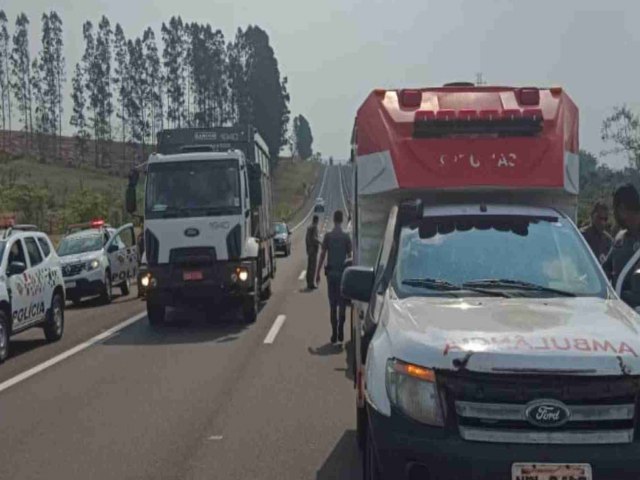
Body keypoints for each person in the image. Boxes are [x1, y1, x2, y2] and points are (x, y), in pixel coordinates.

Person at [316, 210, 352, 344]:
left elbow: (322, 255)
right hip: (343, 275)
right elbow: (350, 257)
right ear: (342, 220)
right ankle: (341, 328)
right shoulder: (346, 237)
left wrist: (317, 272)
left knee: (332, 305)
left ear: (334, 219)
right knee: (342, 304)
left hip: (331, 276)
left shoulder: (328, 237)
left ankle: (334, 333)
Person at [603, 184, 640, 287]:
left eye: (614, 210)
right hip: (617, 302)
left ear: (622, 209)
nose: (613, 214)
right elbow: (604, 273)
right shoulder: (620, 239)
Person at [305, 215, 321, 289]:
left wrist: (307, 248)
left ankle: (308, 282)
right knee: (313, 267)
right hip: (313, 249)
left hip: (309, 249)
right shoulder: (314, 227)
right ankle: (311, 283)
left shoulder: (309, 228)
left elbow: (306, 239)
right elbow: (314, 238)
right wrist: (320, 242)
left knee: (309, 266)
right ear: (316, 220)